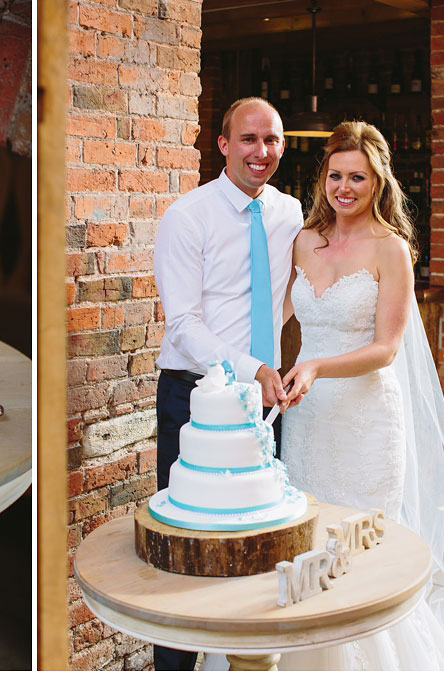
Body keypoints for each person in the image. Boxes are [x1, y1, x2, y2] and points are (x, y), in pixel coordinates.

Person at [276, 120, 444, 669]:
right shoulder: (304, 241)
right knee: (309, 543)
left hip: (366, 419)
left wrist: (314, 363)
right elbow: (275, 315)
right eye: (335, 176)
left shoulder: (390, 249)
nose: (344, 188)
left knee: (358, 548)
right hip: (307, 417)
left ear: (378, 183)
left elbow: (387, 348)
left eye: (358, 179)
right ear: (322, 179)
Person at [152, 97, 303, 670]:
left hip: (265, 403)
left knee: (258, 535)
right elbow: (184, 325)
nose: (261, 152)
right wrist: (251, 367)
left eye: (272, 140)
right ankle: (176, 666)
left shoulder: (290, 214)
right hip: (194, 399)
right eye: (248, 139)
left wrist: (271, 362)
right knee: (187, 548)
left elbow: (289, 297)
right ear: (222, 144)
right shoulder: (188, 216)